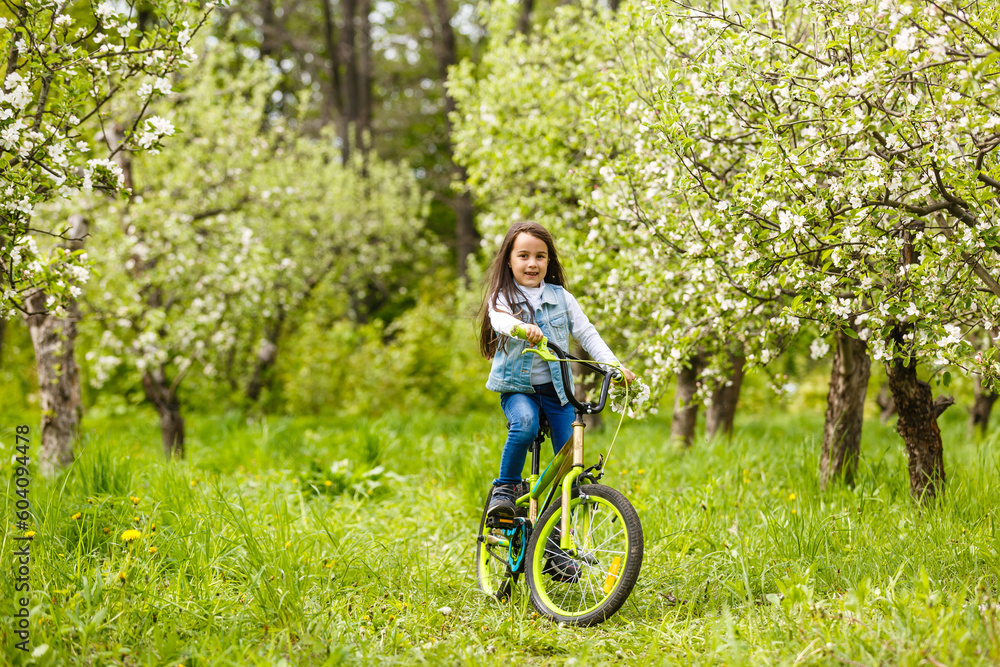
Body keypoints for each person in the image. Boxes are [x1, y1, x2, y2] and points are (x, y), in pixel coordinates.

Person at [478, 221, 636, 520]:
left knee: (570, 459)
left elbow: (588, 334)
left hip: (557, 392)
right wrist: (521, 328)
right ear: (509, 260)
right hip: (518, 390)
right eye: (523, 255)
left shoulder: (562, 297)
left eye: (540, 256)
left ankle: (559, 534)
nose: (532, 263)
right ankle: (506, 489)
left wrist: (614, 367)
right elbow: (499, 320)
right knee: (524, 424)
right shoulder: (502, 297)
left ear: (548, 261)